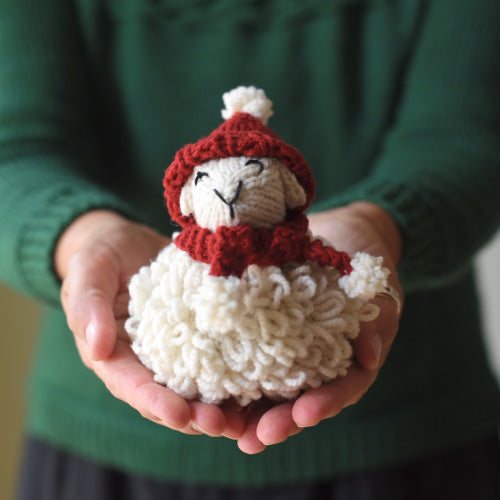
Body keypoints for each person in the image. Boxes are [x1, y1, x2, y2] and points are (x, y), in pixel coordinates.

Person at [1, 0, 499, 498]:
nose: (230, 193)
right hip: (101, 447)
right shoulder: (179, 266)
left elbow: (466, 134)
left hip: (413, 434)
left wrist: (376, 228)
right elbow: (14, 144)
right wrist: (85, 238)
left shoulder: (300, 255)